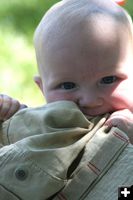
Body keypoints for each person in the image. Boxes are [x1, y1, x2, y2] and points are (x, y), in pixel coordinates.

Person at [0, 0, 133, 199]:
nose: (90, 101)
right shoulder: (45, 125)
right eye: (68, 85)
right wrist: (9, 116)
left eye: (109, 80)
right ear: (43, 89)